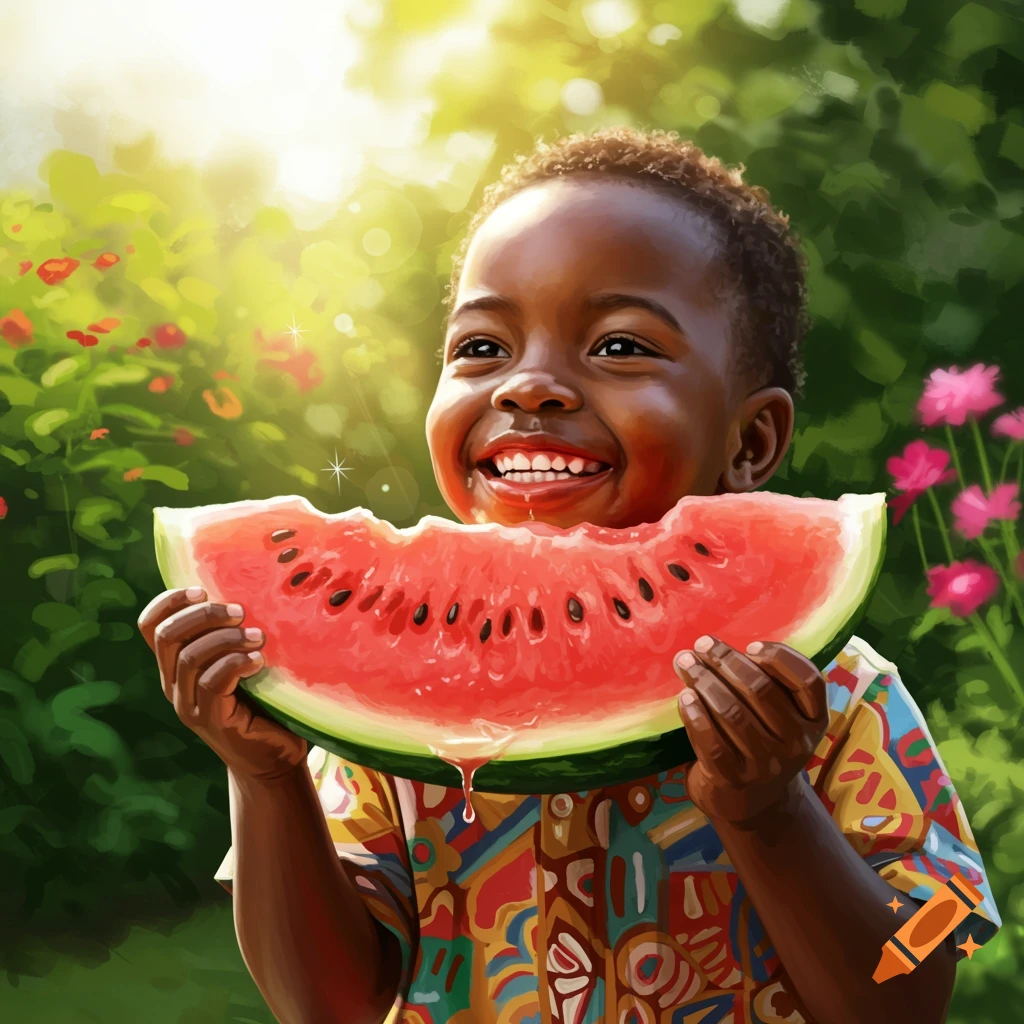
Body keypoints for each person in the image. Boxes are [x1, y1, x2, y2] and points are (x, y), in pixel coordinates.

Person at [138, 127, 1000, 1024]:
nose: (530, 386)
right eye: (481, 348)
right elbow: (332, 1002)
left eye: (620, 347)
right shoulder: (392, 724)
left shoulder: (838, 697)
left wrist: (769, 810)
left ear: (751, 442)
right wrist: (266, 779)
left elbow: (914, 989)